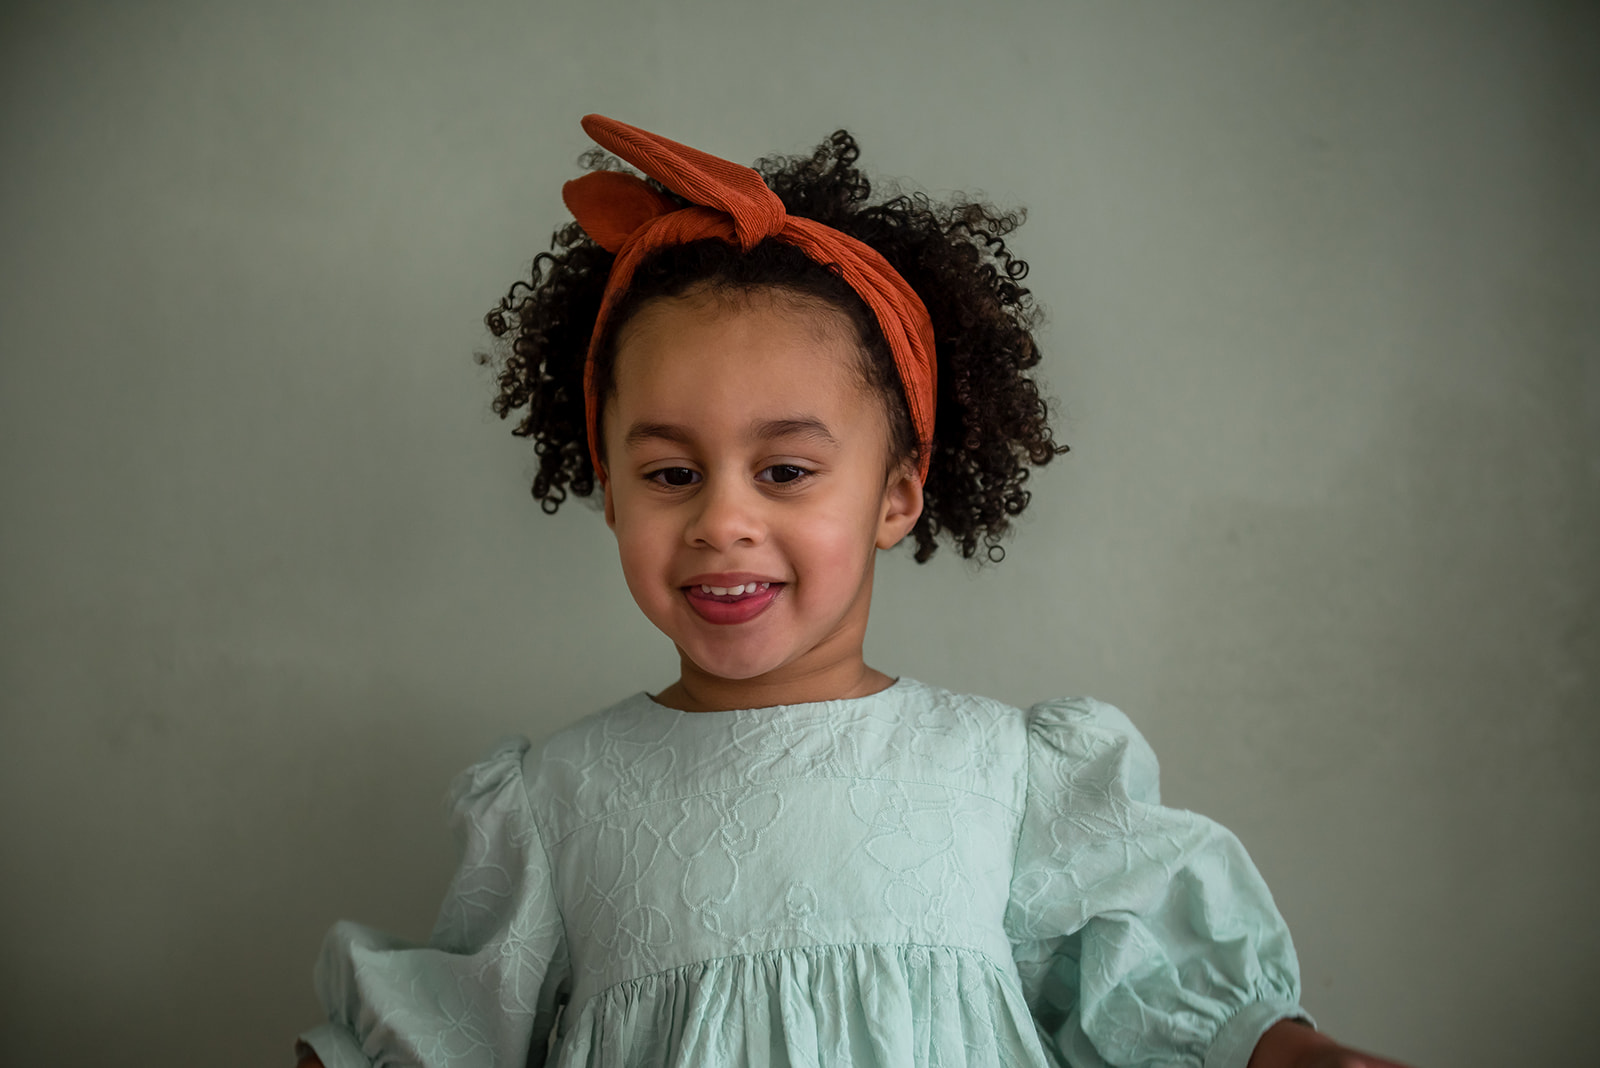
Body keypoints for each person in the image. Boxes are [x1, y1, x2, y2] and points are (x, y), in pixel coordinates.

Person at [296, 115, 1412, 1068]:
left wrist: (1283, 1049)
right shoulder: (555, 802)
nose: (722, 520)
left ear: (896, 494)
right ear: (610, 494)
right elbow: (455, 1029)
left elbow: (1162, 994)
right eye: (671, 474)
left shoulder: (1007, 778)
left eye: (785, 471)